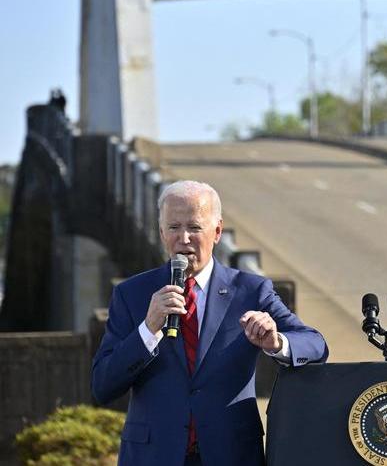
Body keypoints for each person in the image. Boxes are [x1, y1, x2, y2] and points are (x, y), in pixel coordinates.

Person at [92, 180, 328, 466]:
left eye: (194, 227)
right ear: (162, 233)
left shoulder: (250, 291)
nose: (184, 238)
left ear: (216, 232)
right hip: (153, 455)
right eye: (174, 227)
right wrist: (147, 330)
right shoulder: (132, 294)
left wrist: (277, 342)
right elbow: (103, 385)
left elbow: (315, 344)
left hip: (231, 453)